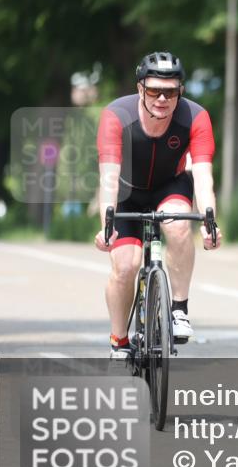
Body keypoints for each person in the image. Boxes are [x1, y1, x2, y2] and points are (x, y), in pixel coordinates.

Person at [95, 51, 222, 359]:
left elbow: (203, 177)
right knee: (125, 265)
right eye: (154, 90)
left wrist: (210, 223)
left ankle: (179, 310)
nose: (162, 98)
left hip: (170, 186)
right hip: (126, 191)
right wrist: (106, 228)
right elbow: (109, 178)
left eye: (171, 91)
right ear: (140, 88)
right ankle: (119, 340)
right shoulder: (116, 115)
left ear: (181, 91)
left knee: (178, 226)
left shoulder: (195, 117)